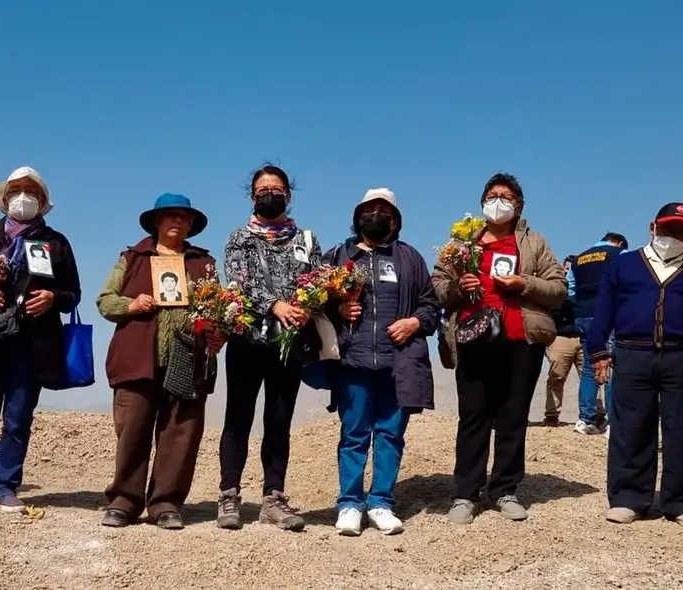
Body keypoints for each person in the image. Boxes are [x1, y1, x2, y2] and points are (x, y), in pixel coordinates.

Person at [588, 203, 683, 531]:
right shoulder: (624, 264)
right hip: (632, 355)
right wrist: (598, 351)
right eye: (667, 228)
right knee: (630, 429)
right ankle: (629, 498)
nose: (673, 235)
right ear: (652, 228)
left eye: (682, 231)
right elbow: (604, 310)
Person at [431, 173, 566, 525]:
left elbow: (558, 289)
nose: (498, 201)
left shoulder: (534, 243)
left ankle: (505, 489)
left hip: (520, 340)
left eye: (506, 196)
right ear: (481, 203)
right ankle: (466, 493)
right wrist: (461, 287)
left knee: (512, 417)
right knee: (473, 416)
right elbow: (439, 289)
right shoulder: (461, 244)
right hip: (473, 338)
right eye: (491, 195)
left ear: (519, 205)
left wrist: (525, 283)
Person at [0, 166, 81, 513]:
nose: (24, 197)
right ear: (4, 199)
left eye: (32, 192)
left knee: (18, 418)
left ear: (43, 201)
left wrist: (54, 298)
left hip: (32, 345)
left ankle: (5, 486)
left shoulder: (56, 242)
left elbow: (73, 294)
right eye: (16, 190)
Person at [97, 193, 224, 529]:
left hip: (189, 356)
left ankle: (166, 503)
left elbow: (219, 308)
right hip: (137, 358)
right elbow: (105, 300)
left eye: (184, 217)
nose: (177, 222)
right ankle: (124, 501)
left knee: (181, 433)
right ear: (157, 221)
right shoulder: (133, 257)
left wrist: (217, 330)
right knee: (133, 430)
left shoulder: (204, 264)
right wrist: (131, 304)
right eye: (170, 216)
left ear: (191, 225)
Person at [324, 189, 440, 536]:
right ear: (358, 216)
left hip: (398, 364)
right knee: (354, 434)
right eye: (369, 210)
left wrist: (415, 323)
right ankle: (349, 503)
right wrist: (338, 309)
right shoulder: (339, 256)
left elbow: (431, 306)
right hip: (353, 362)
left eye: (384, 211)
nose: (376, 215)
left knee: (390, 434)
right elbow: (316, 305)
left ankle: (381, 502)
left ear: (396, 220)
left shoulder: (409, 258)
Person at [217, 163, 322, 532]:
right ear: (253, 197)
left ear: (288, 196)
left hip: (287, 345)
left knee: (278, 421)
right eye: (263, 190)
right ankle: (229, 494)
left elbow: (317, 280)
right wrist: (275, 305)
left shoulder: (306, 240)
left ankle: (273, 499)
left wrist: (308, 305)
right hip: (248, 341)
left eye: (276, 190)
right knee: (238, 418)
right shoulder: (238, 238)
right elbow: (239, 283)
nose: (270, 195)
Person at [570, 232, 628, 436]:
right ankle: (613, 422)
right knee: (611, 366)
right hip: (609, 317)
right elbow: (629, 283)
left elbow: (570, 290)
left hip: (583, 316)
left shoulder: (578, 259)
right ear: (619, 242)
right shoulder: (621, 254)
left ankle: (586, 420)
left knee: (589, 367)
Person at [543, 255, 582, 427]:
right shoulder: (556, 290)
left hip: (582, 336)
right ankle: (552, 414)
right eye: (566, 269)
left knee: (590, 378)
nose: (568, 272)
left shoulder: (584, 290)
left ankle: (594, 414)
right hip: (560, 337)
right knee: (556, 377)